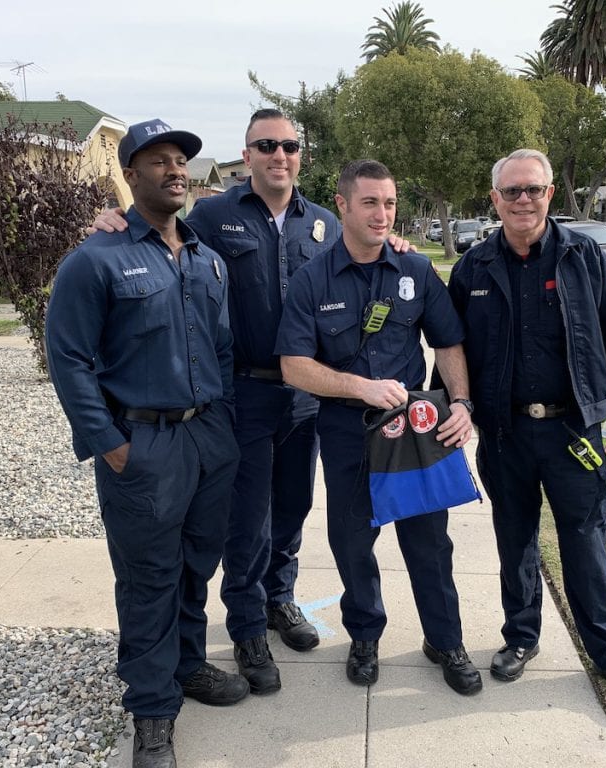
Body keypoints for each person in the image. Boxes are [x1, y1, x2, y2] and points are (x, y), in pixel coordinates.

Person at [91, 109, 413, 695]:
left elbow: (368, 254)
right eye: (266, 146)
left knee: (292, 507)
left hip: (308, 395)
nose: (279, 155)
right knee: (248, 520)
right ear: (247, 155)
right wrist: (112, 219)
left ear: (300, 155)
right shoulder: (212, 216)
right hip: (244, 392)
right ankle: (245, 628)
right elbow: (159, 234)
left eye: (289, 145)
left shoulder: (324, 222)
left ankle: (278, 599)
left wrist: (391, 238)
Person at [46, 119, 248, 768]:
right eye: (158, 160)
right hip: (144, 446)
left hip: (208, 439)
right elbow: (68, 358)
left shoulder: (207, 259)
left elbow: (222, 348)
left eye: (180, 160)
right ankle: (153, 711)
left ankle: (187, 665)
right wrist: (108, 442)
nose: (175, 170)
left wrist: (224, 424)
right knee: (148, 579)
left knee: (196, 565)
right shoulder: (95, 259)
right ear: (130, 175)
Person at [446, 148, 606, 708]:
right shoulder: (473, 267)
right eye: (512, 191)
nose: (523, 199)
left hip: (574, 433)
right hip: (505, 434)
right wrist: (447, 411)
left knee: (585, 545)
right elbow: (451, 347)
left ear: (549, 194)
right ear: (495, 199)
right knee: (514, 540)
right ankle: (521, 637)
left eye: (533, 189)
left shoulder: (582, 257)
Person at [276, 159, 483, 696]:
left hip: (414, 431)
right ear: (342, 205)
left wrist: (461, 402)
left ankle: (445, 641)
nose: (382, 213)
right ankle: (365, 636)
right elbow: (293, 366)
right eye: (370, 202)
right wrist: (359, 387)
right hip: (347, 431)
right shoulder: (312, 279)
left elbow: (448, 341)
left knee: (429, 543)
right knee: (353, 543)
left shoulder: (415, 269)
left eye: (389, 203)